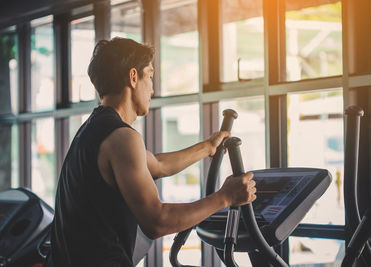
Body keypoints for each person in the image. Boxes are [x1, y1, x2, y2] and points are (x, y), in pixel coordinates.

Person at [45, 37, 256, 267]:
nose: (153, 89)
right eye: (150, 76)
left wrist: (207, 147)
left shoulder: (93, 129)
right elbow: (156, 221)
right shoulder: (123, 138)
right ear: (133, 77)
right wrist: (225, 197)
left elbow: (157, 164)